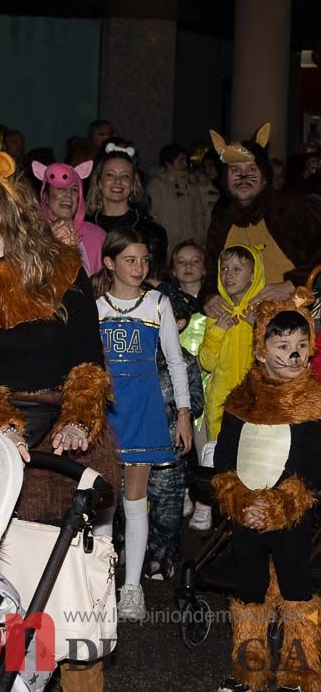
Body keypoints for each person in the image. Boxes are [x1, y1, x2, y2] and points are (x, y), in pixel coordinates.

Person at [0, 152, 118, 692]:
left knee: (73, 574)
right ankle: (17, 672)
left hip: (69, 424)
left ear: (7, 209)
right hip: (0, 432)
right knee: (8, 572)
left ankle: (79, 675)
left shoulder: (65, 269)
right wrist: (5, 427)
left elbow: (89, 359)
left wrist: (80, 420)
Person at [213, 290, 321, 692]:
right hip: (246, 513)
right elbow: (224, 458)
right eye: (282, 345)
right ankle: (248, 670)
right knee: (249, 590)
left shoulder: (315, 402)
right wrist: (240, 500)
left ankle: (300, 671)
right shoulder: (242, 400)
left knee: (296, 589)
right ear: (261, 351)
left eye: (301, 346)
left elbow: (313, 467)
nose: (293, 355)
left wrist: (280, 504)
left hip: (291, 514)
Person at [93, 229, 192, 620]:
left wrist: (183, 414)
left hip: (145, 410)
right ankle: (99, 583)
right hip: (105, 412)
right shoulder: (95, 307)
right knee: (102, 503)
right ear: (109, 263)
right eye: (130, 260)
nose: (139, 267)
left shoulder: (158, 304)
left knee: (135, 503)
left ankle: (132, 589)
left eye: (144, 260)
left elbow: (176, 361)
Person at [202, 123, 321, 314]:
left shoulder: (290, 211)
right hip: (238, 327)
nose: (243, 176)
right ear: (226, 179)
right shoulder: (221, 221)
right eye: (235, 170)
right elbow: (212, 274)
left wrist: (293, 283)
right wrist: (210, 297)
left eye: (251, 169)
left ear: (265, 177)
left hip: (293, 323)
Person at [195, 244, 265, 531]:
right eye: (224, 269)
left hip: (255, 404)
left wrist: (258, 327)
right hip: (220, 405)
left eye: (237, 269)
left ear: (253, 275)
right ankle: (210, 507)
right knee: (218, 465)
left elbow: (272, 359)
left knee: (250, 466)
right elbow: (206, 362)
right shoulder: (217, 315)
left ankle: (248, 519)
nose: (228, 275)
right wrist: (218, 330)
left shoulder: (262, 314)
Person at [144, 283, 204, 582]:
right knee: (126, 502)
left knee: (166, 505)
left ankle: (162, 556)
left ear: (179, 324)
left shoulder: (185, 361)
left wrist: (181, 416)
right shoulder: (136, 354)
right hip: (134, 441)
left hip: (168, 442)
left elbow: (195, 401)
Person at [85, 143, 168, 278]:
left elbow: (154, 281)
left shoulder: (150, 231)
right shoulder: (84, 228)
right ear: (99, 182)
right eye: (110, 175)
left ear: (133, 184)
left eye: (125, 176)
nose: (117, 181)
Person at [32, 159, 105, 274]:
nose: (68, 195)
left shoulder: (97, 236)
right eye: (60, 188)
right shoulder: (31, 236)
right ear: (46, 196)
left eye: (74, 190)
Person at [147, 143, 210, 250]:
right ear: (168, 163)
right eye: (180, 161)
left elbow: (199, 213)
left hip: (192, 242)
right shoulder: (157, 184)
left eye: (186, 160)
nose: (185, 164)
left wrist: (200, 237)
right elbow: (153, 214)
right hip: (168, 244)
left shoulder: (191, 183)